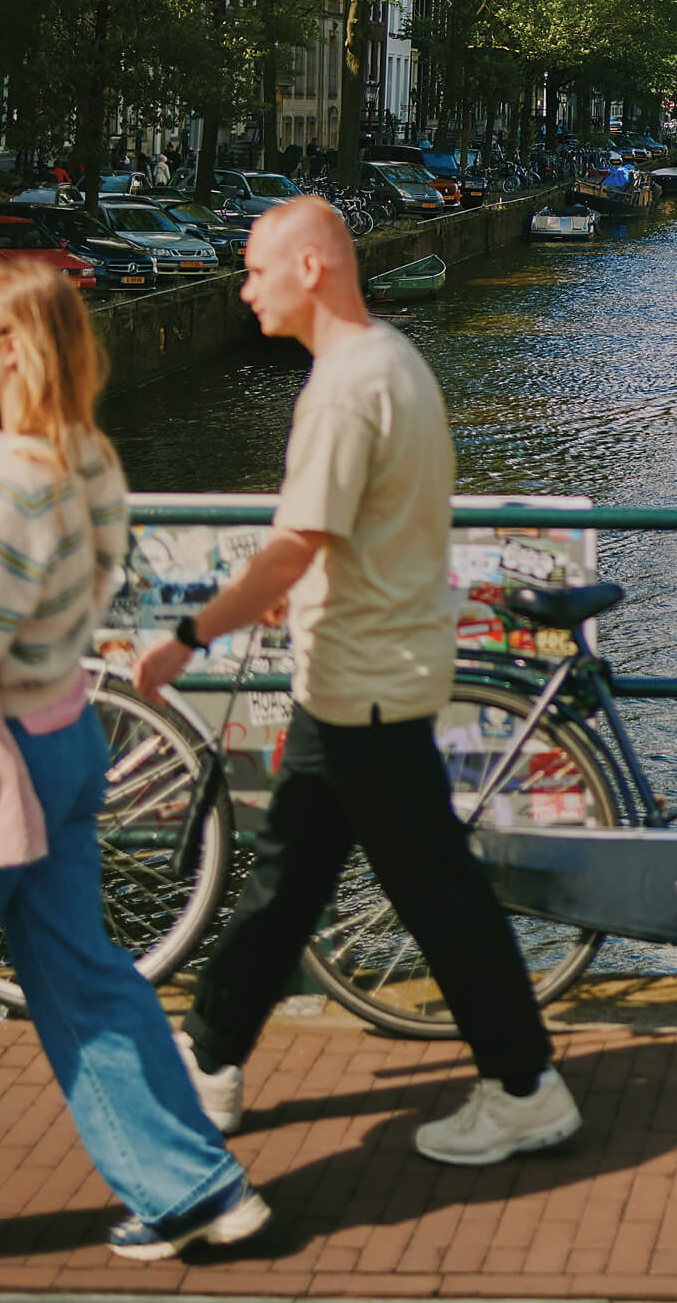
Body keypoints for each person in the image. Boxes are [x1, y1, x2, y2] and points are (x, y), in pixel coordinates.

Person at [133, 198, 577, 1166]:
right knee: (295, 878)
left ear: (307, 268)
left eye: (253, 269)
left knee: (429, 891)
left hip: (365, 681)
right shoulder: (396, 364)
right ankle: (213, 1055)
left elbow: (296, 540)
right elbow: (366, 526)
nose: (241, 286)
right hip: (373, 666)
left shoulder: (342, 386)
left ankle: (523, 1083)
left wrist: (184, 632)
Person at [0, 259, 268, 1280]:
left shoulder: (7, 482)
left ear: (14, 347)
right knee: (87, 978)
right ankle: (197, 1186)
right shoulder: (88, 456)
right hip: (68, 735)